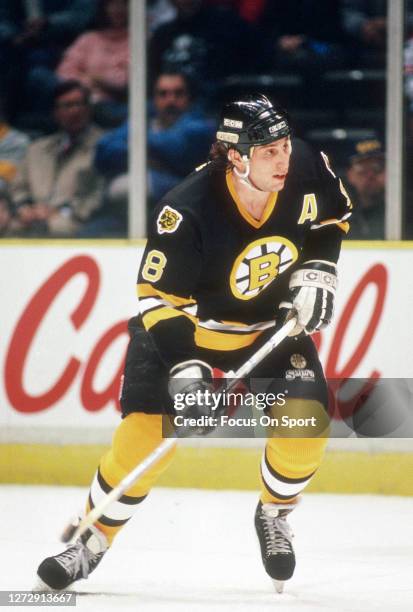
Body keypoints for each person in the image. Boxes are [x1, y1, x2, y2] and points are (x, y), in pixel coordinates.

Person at [35, 94, 352, 592]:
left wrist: (321, 268)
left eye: (285, 144)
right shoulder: (185, 209)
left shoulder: (307, 168)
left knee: (305, 424)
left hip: (266, 329)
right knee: (145, 436)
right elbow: (157, 299)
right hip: (185, 330)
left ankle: (274, 515)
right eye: (269, 150)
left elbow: (332, 221)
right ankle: (92, 536)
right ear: (235, 155)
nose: (284, 158)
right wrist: (186, 370)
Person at [10, 80, 104, 237]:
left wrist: (61, 212)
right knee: (11, 226)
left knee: (57, 227)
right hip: (32, 218)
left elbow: (100, 193)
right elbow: (18, 187)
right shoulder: (36, 150)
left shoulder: (104, 146)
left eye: (79, 104)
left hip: (75, 221)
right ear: (55, 112)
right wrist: (24, 208)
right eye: (67, 106)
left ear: (89, 109)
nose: (74, 111)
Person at [56, 0, 129, 126]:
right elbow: (64, 71)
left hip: (116, 106)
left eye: (123, 3)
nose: (118, 9)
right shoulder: (89, 38)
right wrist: (92, 82)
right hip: (84, 100)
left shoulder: (139, 39)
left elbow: (123, 81)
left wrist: (91, 76)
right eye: (113, 4)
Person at [344, 139, 384, 239]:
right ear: (350, 175)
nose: (370, 175)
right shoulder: (338, 213)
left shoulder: (404, 212)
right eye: (362, 170)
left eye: (377, 168)